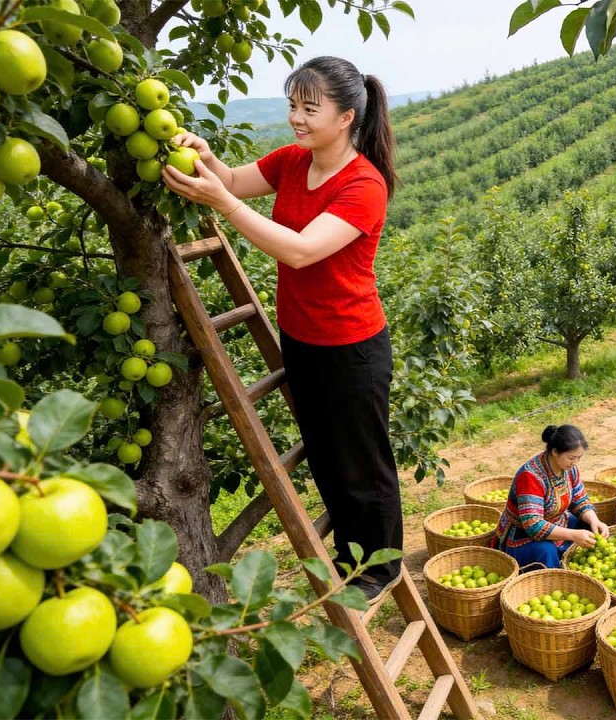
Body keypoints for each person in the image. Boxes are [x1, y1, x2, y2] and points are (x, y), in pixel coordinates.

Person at [162, 56, 402, 601]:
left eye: (309, 108)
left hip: (352, 345)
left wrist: (220, 203)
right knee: (325, 454)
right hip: (303, 338)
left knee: (363, 463)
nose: (296, 117)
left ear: (345, 118)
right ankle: (350, 556)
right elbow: (233, 182)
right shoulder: (294, 161)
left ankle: (381, 568)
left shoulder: (363, 185)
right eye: (293, 104)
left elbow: (299, 252)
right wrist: (208, 158)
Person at [490, 425, 611, 569]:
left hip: (558, 522)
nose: (575, 462)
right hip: (522, 535)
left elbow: (579, 499)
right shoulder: (530, 476)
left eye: (579, 458)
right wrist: (572, 535)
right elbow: (533, 525)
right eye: (571, 458)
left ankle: (577, 564)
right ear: (554, 452)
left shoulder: (569, 469)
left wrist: (594, 520)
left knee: (589, 528)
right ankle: (553, 576)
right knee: (547, 551)